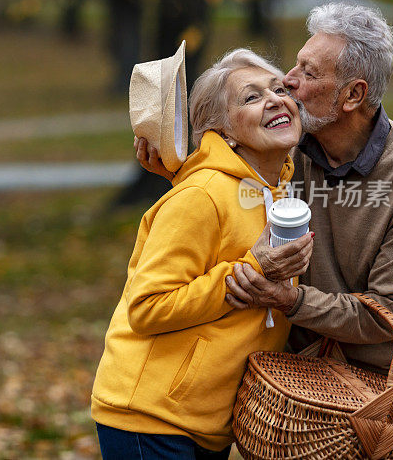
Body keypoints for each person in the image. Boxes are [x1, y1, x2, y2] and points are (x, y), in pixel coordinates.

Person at [136, 3, 393, 411]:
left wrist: (286, 299)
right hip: (303, 373)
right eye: (297, 64)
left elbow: (385, 314)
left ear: (353, 95)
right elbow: (231, 199)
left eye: (309, 73)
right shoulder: (287, 149)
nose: (289, 80)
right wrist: (180, 178)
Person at [92, 49, 314, 459]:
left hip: (208, 422)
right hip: (151, 416)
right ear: (222, 130)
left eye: (280, 89)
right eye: (250, 97)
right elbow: (146, 307)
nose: (275, 99)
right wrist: (250, 271)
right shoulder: (199, 196)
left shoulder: (274, 195)